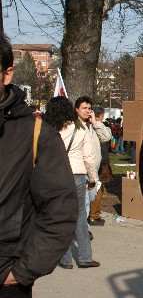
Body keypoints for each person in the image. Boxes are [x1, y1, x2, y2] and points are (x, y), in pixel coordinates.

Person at [0, 33, 78, 298]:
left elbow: (60, 211)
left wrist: (21, 272)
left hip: (6, 284)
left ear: (7, 74)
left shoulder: (37, 135)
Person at [44, 96, 100, 269]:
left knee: (61, 216)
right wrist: (93, 179)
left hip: (58, 174)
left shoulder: (52, 129)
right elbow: (89, 158)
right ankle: (85, 257)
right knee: (80, 216)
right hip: (77, 174)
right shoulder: (81, 129)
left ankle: (65, 258)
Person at [74, 97, 111, 228]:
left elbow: (106, 137)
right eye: (84, 108)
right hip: (79, 170)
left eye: (89, 108)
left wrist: (95, 123)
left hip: (93, 171)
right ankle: (83, 230)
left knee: (89, 200)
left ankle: (82, 228)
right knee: (83, 203)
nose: (87, 111)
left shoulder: (93, 126)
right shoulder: (74, 126)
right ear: (77, 109)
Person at [89, 106, 112, 226]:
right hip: (95, 164)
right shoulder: (90, 127)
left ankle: (95, 213)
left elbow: (107, 136)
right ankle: (93, 215)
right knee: (96, 190)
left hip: (100, 162)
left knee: (99, 189)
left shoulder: (98, 127)